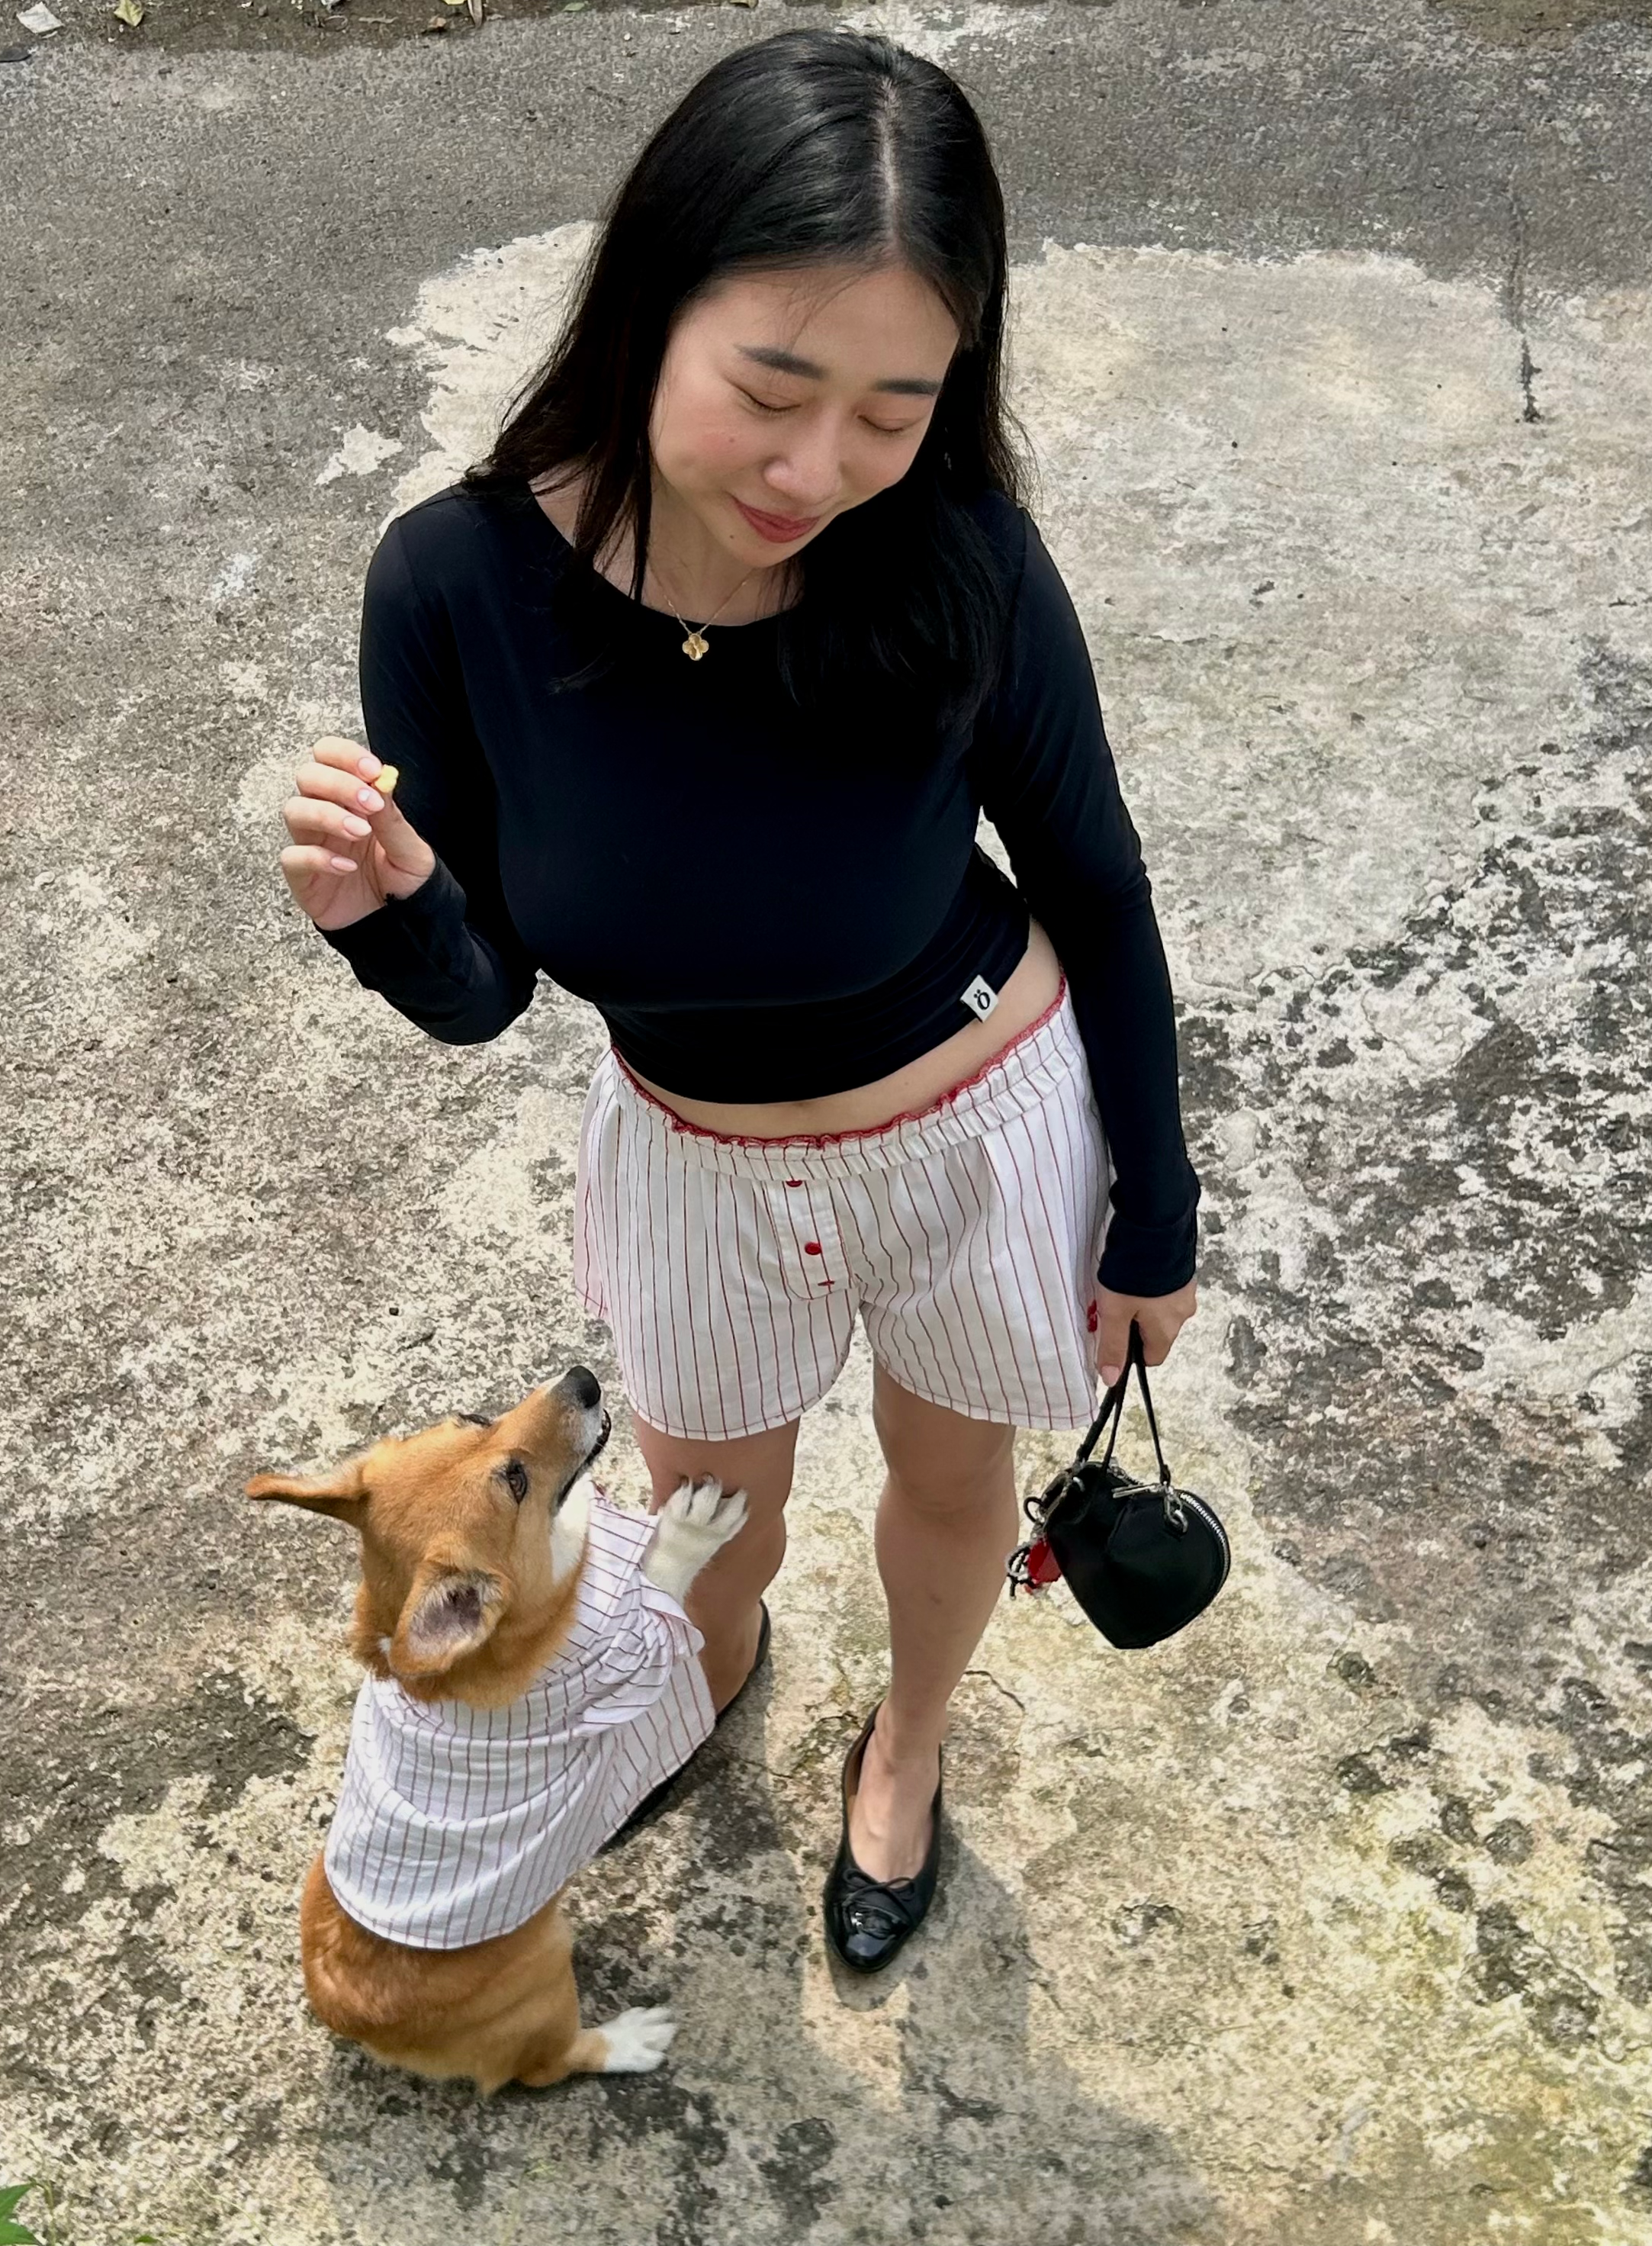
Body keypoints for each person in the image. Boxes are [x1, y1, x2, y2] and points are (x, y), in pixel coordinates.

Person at [278, 28, 1200, 1974]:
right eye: (772, 392)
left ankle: (908, 1750)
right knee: (704, 1520)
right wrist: (390, 915)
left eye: (893, 410)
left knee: (952, 1481)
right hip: (693, 1155)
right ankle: (702, 1683)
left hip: (975, 1124)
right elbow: (486, 990)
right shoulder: (454, 587)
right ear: (648, 305)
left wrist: (1157, 1209)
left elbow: (1098, 889)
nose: (820, 470)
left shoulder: (955, 557)